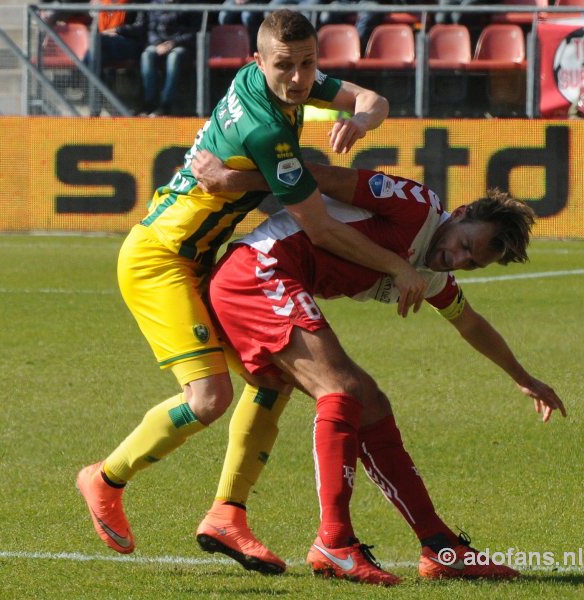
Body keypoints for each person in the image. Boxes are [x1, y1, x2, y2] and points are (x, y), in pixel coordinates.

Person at [75, 9, 429, 564]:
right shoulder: (265, 126)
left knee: (271, 377)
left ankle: (227, 516)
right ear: (257, 61)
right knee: (209, 398)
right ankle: (106, 479)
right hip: (159, 259)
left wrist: (361, 121)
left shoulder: (277, 80)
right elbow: (319, 228)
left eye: (308, 64)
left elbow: (371, 99)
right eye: (285, 66)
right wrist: (398, 267)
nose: (298, 78)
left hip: (198, 256)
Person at [192, 158, 566, 584]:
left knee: (370, 403)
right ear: (460, 214)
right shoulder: (417, 205)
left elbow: (470, 323)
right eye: (464, 245)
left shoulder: (432, 272)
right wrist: (236, 180)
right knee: (344, 390)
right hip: (260, 270)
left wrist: (523, 377)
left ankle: (441, 547)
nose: (457, 260)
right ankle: (334, 542)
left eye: (471, 263)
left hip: (277, 281)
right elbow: (326, 177)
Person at [139, 0, 201, 116]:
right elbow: (150, 30)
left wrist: (173, 43)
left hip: (182, 46)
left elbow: (194, 32)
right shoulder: (155, 5)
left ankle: (166, 104)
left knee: (174, 57)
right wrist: (157, 43)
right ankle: (150, 103)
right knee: (146, 55)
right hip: (158, 45)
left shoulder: (190, 4)